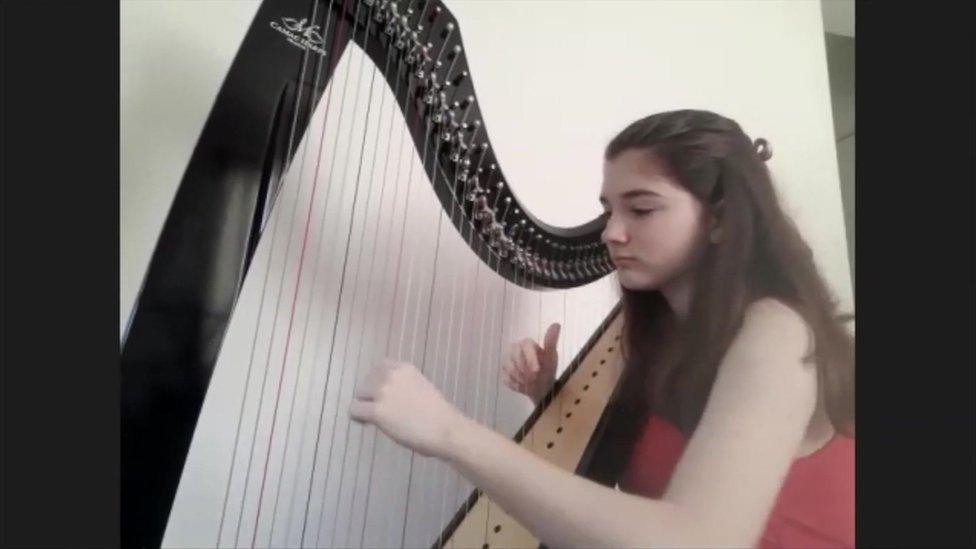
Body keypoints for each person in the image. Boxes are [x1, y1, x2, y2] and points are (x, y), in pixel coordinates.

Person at [349, 110, 855, 548]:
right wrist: (548, 396)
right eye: (608, 209)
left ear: (719, 220)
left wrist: (448, 431)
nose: (612, 231)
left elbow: (698, 540)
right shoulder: (654, 334)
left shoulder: (779, 333)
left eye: (641, 208)